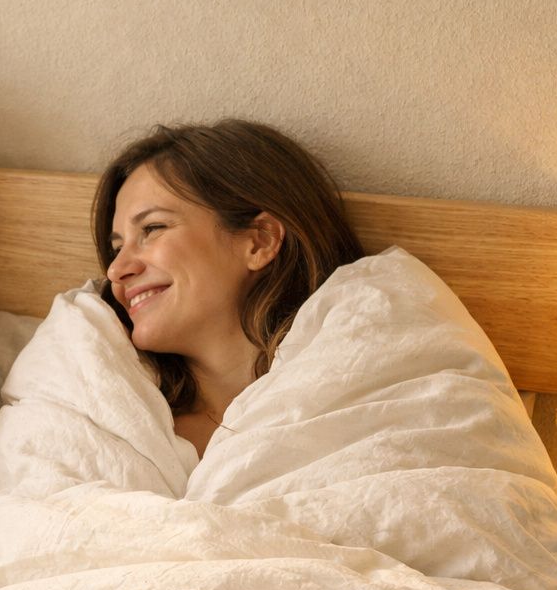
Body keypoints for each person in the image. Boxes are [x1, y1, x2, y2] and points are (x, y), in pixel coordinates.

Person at [93, 120, 363, 455]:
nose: (116, 270)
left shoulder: (361, 402)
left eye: (152, 228)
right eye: (117, 248)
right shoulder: (109, 421)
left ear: (258, 241)